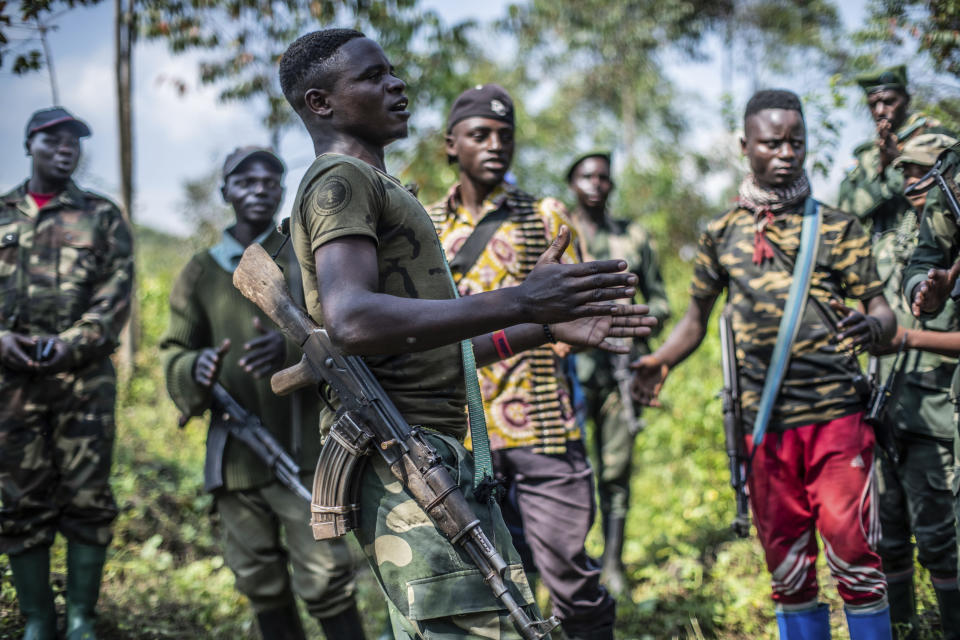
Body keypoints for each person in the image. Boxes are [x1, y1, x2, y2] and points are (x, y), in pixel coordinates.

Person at [278, 29, 654, 639]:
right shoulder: (340, 183)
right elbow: (352, 321)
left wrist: (534, 326)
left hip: (430, 445)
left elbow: (421, 350)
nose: (395, 83)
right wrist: (518, 297)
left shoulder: (380, 187)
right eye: (372, 77)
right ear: (320, 103)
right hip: (402, 453)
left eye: (392, 71)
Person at [631, 89, 897, 639]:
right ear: (744, 146)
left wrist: (874, 328)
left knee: (857, 561)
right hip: (763, 428)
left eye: (795, 142)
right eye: (772, 143)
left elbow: (883, 312)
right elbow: (694, 321)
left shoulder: (837, 228)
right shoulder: (721, 233)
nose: (786, 153)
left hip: (838, 421)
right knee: (788, 570)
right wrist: (659, 361)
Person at [427, 85, 617, 639]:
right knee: (481, 584)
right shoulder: (424, 222)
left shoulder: (546, 214)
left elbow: (582, 316)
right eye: (479, 135)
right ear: (451, 145)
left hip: (542, 424)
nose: (494, 145)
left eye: (504, 136)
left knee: (571, 577)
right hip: (457, 428)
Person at [160, 147, 362, 640]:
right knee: (259, 580)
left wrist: (293, 344)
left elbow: (345, 330)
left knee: (327, 576)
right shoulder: (202, 271)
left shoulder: (306, 259)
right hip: (236, 456)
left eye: (270, 180)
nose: (259, 188)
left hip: (307, 452)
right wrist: (196, 367)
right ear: (225, 191)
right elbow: (174, 350)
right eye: (245, 180)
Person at [0, 107, 134, 640]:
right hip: (9, 386)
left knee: (87, 497)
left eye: (75, 140)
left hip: (83, 383)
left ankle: (80, 618)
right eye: (54, 139)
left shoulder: (101, 216)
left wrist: (73, 342)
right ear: (30, 143)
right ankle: (37, 620)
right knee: (18, 498)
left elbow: (115, 295)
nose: (66, 147)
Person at [866, 133, 960, 639]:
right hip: (889, 404)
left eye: (921, 170)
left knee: (942, 539)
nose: (912, 183)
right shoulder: (892, 234)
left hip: (940, 409)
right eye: (903, 173)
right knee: (890, 533)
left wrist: (904, 336)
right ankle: (903, 627)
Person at [565, 151, 670, 594]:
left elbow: (663, 301)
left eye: (604, 177)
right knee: (565, 473)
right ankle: (568, 567)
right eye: (586, 176)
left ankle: (612, 565)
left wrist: (636, 319)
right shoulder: (555, 234)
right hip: (565, 372)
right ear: (572, 182)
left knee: (616, 471)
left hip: (620, 374)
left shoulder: (634, 237)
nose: (596, 184)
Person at [838, 64, 953, 234]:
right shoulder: (868, 154)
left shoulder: (936, 138)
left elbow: (945, 196)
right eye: (873, 104)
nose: (880, 111)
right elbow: (847, 213)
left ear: (906, 99)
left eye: (889, 101)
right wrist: (881, 169)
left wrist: (897, 162)